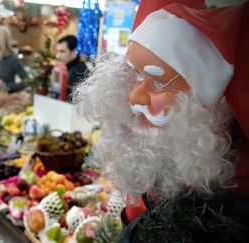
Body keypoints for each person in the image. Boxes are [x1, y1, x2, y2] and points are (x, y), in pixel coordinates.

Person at [73, 0, 249, 242]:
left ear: (200, 106)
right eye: (135, 76)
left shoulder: (220, 219)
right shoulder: (162, 165)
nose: (134, 97)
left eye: (158, 83)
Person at [55, 35, 88, 102]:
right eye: (57, 51)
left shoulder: (81, 70)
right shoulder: (61, 67)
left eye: (62, 51)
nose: (58, 56)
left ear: (73, 51)